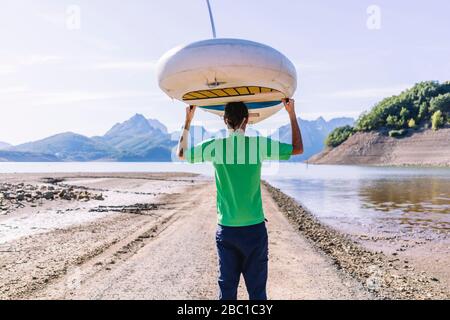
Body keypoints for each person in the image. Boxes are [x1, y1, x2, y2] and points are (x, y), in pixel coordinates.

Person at [177, 99, 303, 300]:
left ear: (225, 120)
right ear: (246, 120)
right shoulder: (258, 145)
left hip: (226, 230)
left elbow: (181, 153)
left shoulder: (215, 147)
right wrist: (291, 113)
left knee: (227, 293)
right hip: (254, 231)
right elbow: (298, 149)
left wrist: (188, 119)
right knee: (257, 294)